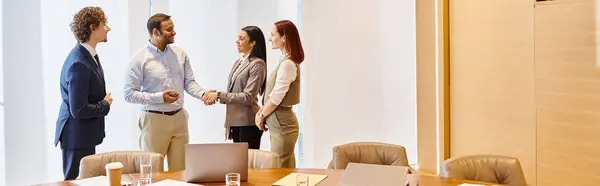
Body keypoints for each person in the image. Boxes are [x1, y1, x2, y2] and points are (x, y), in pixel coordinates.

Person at [124, 13, 212, 171]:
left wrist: (203, 94)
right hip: (153, 121)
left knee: (181, 171)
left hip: (179, 119)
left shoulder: (180, 54)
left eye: (173, 28)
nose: (174, 32)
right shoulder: (139, 58)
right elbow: (129, 94)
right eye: (169, 29)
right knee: (151, 171)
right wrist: (160, 98)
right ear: (156, 32)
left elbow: (189, 82)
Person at [54, 6, 112, 180]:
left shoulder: (87, 55)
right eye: (104, 24)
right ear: (93, 28)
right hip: (76, 136)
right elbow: (78, 110)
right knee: (74, 181)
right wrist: (105, 104)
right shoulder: (78, 63)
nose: (108, 28)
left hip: (83, 135)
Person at [203, 26, 267, 149]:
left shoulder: (257, 64)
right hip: (236, 123)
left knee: (247, 165)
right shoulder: (239, 62)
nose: (237, 41)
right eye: (238, 38)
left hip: (247, 124)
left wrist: (218, 95)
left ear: (253, 42)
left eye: (242, 39)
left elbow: (248, 97)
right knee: (239, 165)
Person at [255, 20, 304, 168]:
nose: (270, 38)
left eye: (272, 34)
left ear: (284, 37)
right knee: (283, 169)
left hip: (283, 124)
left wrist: (261, 115)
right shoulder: (284, 61)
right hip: (279, 123)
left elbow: (276, 97)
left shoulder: (288, 64)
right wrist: (261, 112)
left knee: (279, 170)